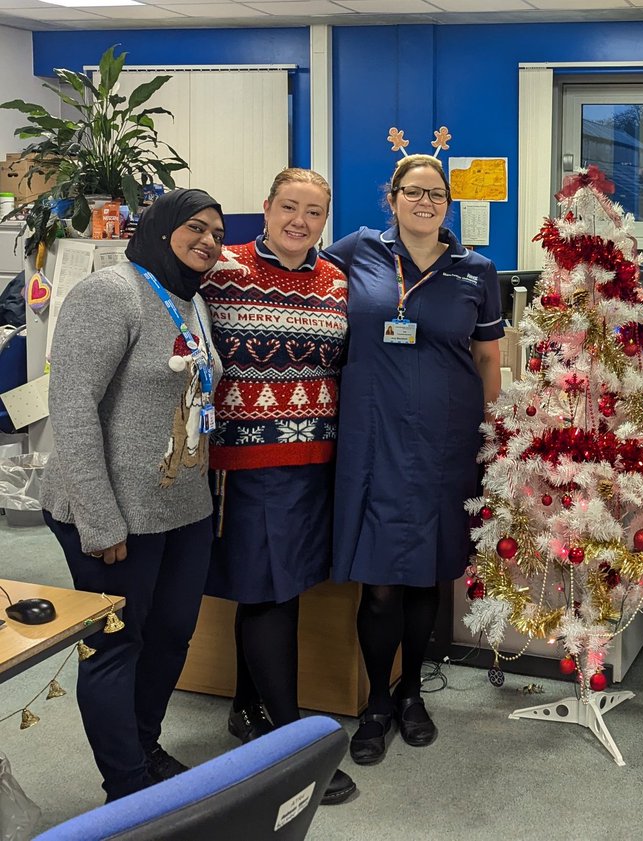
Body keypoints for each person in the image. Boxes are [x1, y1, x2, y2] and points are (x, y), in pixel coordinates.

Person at [41, 189, 225, 801]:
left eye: (218, 233)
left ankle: (145, 750)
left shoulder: (190, 302)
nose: (208, 241)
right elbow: (70, 409)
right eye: (195, 227)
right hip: (114, 512)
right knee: (118, 645)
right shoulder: (110, 293)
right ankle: (126, 787)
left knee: (172, 635)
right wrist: (100, 520)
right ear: (161, 228)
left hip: (183, 507)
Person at [324, 154, 503, 765]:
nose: (425, 202)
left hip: (447, 442)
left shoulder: (476, 270)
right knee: (379, 583)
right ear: (392, 197)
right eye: (413, 192)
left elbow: (487, 361)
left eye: (436, 194)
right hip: (372, 441)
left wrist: (495, 432)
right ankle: (376, 703)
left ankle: (411, 695)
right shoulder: (355, 252)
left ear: (447, 205)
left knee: (429, 574)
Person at [201, 168, 355, 804]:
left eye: (313, 212)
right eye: (288, 207)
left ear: (325, 221)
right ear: (264, 209)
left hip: (315, 462)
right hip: (249, 462)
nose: (300, 221)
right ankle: (289, 743)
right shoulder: (222, 270)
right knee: (269, 590)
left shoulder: (337, 282)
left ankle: (247, 709)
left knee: (277, 588)